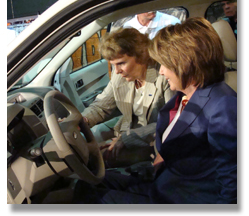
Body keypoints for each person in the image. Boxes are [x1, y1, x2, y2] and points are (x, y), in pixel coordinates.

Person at [74, 17, 237, 204]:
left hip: (179, 198)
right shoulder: (185, 95)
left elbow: (233, 183)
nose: (161, 71)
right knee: (86, 184)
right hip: (164, 183)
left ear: (186, 63)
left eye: (165, 65)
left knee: (91, 196)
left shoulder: (223, 106)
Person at [81, 28, 174, 168]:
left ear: (141, 56)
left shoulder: (164, 77)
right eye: (113, 65)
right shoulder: (119, 77)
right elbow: (100, 106)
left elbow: (171, 123)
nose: (117, 71)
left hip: (152, 143)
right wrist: (82, 120)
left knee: (94, 161)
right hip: (125, 131)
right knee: (85, 152)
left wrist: (128, 138)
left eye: (121, 63)